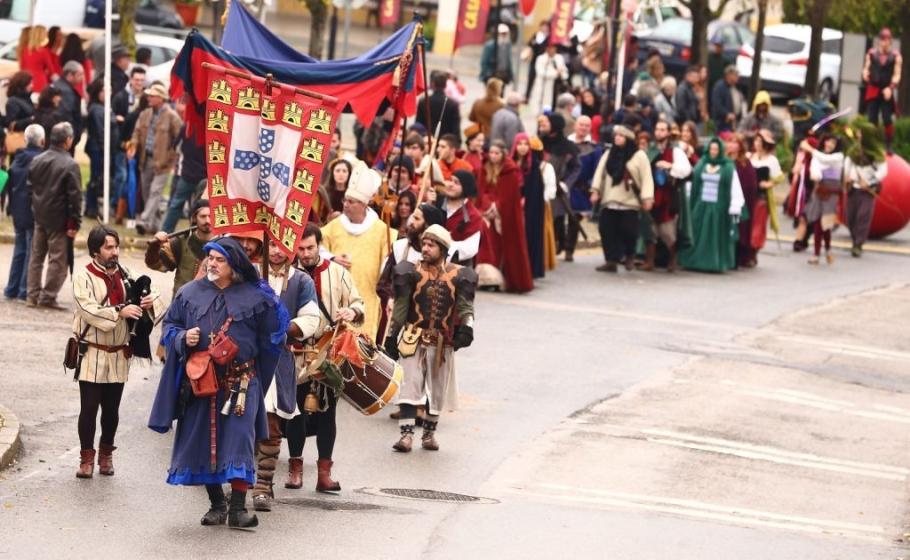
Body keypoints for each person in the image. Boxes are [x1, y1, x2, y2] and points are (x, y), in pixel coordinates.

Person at [148, 236, 295, 530]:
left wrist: (271, 302)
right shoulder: (189, 293)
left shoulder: (257, 298)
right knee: (203, 440)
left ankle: (238, 509)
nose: (212, 264)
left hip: (242, 381)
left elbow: (273, 337)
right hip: (202, 382)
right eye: (209, 258)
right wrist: (181, 338)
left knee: (239, 441)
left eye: (219, 259)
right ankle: (217, 504)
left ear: (234, 264)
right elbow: (170, 326)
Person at [73, 226, 163, 478]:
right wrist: (118, 312)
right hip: (92, 351)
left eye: (116, 247)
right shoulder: (83, 276)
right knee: (89, 408)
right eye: (109, 247)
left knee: (112, 410)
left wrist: (148, 301)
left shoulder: (126, 273)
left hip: (119, 352)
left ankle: (106, 455)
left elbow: (153, 291)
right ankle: (86, 458)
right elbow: (87, 308)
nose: (115, 252)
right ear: (95, 251)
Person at [285, 223, 365, 492]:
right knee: (295, 412)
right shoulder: (287, 274)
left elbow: (357, 302)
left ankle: (324, 473)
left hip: (327, 352)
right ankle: (295, 469)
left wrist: (352, 313)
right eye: (301, 248)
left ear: (319, 245)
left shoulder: (337, 272)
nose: (306, 253)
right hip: (296, 352)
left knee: (328, 414)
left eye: (310, 247)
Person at [383, 225, 477, 452]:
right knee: (409, 386)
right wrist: (391, 336)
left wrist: (468, 327)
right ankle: (406, 436)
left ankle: (429, 434)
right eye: (424, 244)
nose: (424, 248)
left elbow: (465, 307)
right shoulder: (410, 272)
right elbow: (400, 309)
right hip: (412, 339)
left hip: (442, 342)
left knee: (437, 390)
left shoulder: (459, 275)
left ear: (442, 248)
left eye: (430, 245)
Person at [251, 240, 320, 512]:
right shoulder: (251, 273)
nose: (277, 252)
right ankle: (239, 483)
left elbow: (311, 319)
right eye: (273, 245)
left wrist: (285, 327)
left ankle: (263, 486)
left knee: (271, 424)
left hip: (279, 358)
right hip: (247, 357)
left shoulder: (301, 281)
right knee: (241, 420)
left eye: (283, 246)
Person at [320, 161, 396, 341]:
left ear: (364, 204)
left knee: (362, 351)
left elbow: (388, 265)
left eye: (351, 201)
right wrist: (332, 258)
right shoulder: (334, 226)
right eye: (345, 200)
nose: (346, 205)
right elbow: (318, 249)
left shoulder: (381, 230)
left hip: (367, 298)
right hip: (336, 300)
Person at [27, 122, 82, 310]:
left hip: (40, 215)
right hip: (59, 219)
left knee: (36, 257)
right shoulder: (70, 164)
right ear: (68, 140)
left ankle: (32, 295)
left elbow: (30, 188)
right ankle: (47, 297)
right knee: (58, 260)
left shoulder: (37, 159)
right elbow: (75, 197)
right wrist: (75, 222)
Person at [590, 125, 654, 273]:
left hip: (629, 201)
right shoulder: (608, 154)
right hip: (609, 199)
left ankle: (629, 255)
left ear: (629, 139)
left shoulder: (639, 156)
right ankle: (611, 260)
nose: (617, 138)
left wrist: (647, 197)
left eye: (621, 136)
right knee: (606, 229)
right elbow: (600, 173)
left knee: (629, 231)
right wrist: (595, 190)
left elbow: (646, 178)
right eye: (616, 135)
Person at [678, 137, 745, 272]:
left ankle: (714, 263)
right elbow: (693, 182)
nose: (713, 151)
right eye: (712, 148)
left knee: (714, 237)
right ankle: (693, 261)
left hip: (718, 208)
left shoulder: (728, 167)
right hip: (701, 205)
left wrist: (735, 205)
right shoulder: (701, 164)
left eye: (716, 149)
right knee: (696, 234)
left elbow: (734, 186)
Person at [475, 140, 533, 293]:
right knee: (489, 246)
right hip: (487, 214)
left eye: (497, 153)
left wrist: (497, 206)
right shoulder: (484, 168)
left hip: (504, 216)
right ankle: (488, 279)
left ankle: (510, 280)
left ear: (503, 154)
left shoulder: (510, 171)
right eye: (491, 153)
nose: (493, 156)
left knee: (507, 246)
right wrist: (487, 205)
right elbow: (482, 190)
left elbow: (510, 196)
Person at [129, 83, 182, 234]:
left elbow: (179, 138)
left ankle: (144, 220)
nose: (149, 98)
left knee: (155, 192)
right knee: (148, 194)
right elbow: (137, 132)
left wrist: (171, 157)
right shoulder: (145, 114)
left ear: (161, 98)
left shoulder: (172, 116)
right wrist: (133, 145)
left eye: (152, 95)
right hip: (146, 160)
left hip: (163, 163)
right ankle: (156, 227)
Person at [643, 120, 692, 271]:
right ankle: (649, 261)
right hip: (651, 194)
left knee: (667, 232)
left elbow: (686, 170)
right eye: (657, 129)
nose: (659, 132)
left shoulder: (676, 151)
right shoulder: (649, 150)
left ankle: (672, 260)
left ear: (668, 133)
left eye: (663, 130)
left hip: (668, 196)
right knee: (649, 229)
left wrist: (669, 166)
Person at [4, 125, 44, 302]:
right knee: (31, 250)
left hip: (17, 209)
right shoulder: (39, 159)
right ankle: (23, 289)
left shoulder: (17, 159)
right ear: (42, 140)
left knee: (20, 249)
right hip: (32, 209)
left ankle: (12, 287)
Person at [145, 199, 213, 297]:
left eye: (211, 216)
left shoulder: (225, 243)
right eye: (203, 216)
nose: (207, 220)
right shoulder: (180, 243)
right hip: (182, 304)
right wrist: (154, 247)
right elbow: (154, 264)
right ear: (194, 218)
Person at [844, 121, 888, 257]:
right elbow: (848, 163)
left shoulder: (876, 153)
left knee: (863, 217)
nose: (858, 135)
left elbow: (883, 171)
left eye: (860, 132)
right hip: (853, 188)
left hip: (867, 190)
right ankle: (854, 239)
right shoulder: (854, 150)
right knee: (850, 217)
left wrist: (870, 181)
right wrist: (848, 176)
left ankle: (858, 244)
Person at [540, 113, 580, 259]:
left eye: (547, 122)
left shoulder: (567, 147)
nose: (544, 124)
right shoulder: (540, 141)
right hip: (541, 187)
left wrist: (565, 184)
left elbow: (576, 167)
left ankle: (559, 246)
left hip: (558, 189)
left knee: (557, 218)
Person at [799, 135, 844, 265]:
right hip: (819, 190)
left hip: (832, 192)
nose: (829, 144)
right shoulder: (817, 156)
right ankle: (818, 253)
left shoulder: (838, 157)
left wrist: (809, 148)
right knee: (817, 221)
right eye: (828, 141)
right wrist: (815, 175)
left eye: (833, 142)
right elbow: (815, 171)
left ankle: (826, 250)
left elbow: (825, 159)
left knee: (826, 223)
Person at [112, 67, 148, 223]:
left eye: (142, 80)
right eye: (137, 79)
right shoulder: (121, 97)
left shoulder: (146, 96)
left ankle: (130, 210)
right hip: (124, 144)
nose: (139, 83)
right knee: (124, 177)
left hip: (141, 148)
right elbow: (114, 117)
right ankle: (117, 208)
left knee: (135, 180)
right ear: (131, 80)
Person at [84, 79, 120, 219]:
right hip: (99, 150)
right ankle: (91, 207)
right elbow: (101, 131)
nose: (108, 93)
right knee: (96, 178)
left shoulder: (105, 107)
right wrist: (105, 149)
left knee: (99, 178)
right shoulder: (97, 109)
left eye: (110, 90)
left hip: (103, 149)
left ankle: (92, 206)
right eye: (105, 90)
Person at [512, 133, 546, 279]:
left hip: (529, 207)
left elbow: (536, 189)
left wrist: (526, 199)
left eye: (526, 144)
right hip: (512, 205)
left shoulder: (534, 165)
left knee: (529, 236)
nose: (523, 147)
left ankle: (529, 269)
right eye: (520, 144)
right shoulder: (509, 163)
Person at [863, 28, 902, 150]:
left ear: (890, 41)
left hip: (886, 90)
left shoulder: (895, 56)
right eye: (882, 39)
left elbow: (897, 75)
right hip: (874, 88)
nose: (884, 42)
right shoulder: (872, 53)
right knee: (871, 119)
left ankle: (889, 144)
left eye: (887, 40)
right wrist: (865, 74)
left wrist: (891, 88)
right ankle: (870, 143)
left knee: (887, 118)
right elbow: (866, 69)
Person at [725, 133, 759, 268]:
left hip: (740, 201)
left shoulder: (744, 163)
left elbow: (750, 185)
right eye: (730, 142)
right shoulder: (724, 160)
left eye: (735, 142)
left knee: (741, 228)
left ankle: (740, 256)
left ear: (740, 146)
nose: (732, 145)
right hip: (725, 200)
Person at [749, 129, 784, 258]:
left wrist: (769, 183)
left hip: (761, 197)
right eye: (756, 140)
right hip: (748, 196)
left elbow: (779, 177)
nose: (757, 143)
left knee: (758, 226)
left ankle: (753, 252)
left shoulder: (771, 160)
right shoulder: (749, 156)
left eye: (761, 141)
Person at [441, 169, 485, 266]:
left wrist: (444, 246)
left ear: (465, 188)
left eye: (456, 183)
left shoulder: (473, 216)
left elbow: (470, 248)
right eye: (451, 180)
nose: (451, 184)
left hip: (455, 267)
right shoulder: (436, 204)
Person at [415, 71, 461, 140]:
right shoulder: (453, 104)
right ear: (445, 85)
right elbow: (455, 129)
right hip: (445, 143)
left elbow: (418, 125)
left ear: (433, 84)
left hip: (426, 141)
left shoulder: (423, 102)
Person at [53, 61, 85, 147]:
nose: (82, 78)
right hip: (65, 138)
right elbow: (66, 115)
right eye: (79, 75)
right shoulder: (66, 91)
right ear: (70, 75)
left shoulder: (58, 86)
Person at [530, 44, 569, 115]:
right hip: (545, 86)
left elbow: (564, 70)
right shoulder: (541, 58)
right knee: (545, 104)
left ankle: (551, 115)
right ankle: (544, 115)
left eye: (553, 48)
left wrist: (561, 74)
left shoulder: (559, 58)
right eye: (549, 48)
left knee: (555, 104)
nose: (551, 50)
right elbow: (540, 72)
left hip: (557, 86)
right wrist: (555, 73)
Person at [19, 26, 55, 93]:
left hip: (26, 82)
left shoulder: (25, 50)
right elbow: (51, 70)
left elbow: (22, 68)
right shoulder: (44, 51)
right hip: (40, 82)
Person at [522, 21, 551, 102]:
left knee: (541, 80)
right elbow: (529, 45)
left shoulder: (549, 38)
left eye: (546, 26)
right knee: (531, 78)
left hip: (544, 62)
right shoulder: (537, 35)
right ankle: (527, 96)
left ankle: (539, 98)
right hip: (534, 60)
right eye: (543, 26)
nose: (544, 28)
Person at [4, 71, 36, 143]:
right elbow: (11, 124)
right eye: (29, 83)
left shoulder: (27, 98)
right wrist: (30, 119)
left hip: (30, 137)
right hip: (21, 139)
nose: (32, 85)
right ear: (22, 85)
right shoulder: (13, 102)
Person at [59, 33, 93, 97]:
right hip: (79, 90)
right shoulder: (84, 59)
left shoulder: (62, 58)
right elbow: (88, 79)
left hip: (63, 88)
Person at [710, 65, 739, 133]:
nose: (737, 78)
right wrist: (727, 114)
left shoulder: (732, 88)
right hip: (720, 123)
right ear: (729, 75)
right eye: (735, 75)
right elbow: (717, 104)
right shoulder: (719, 86)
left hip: (729, 124)